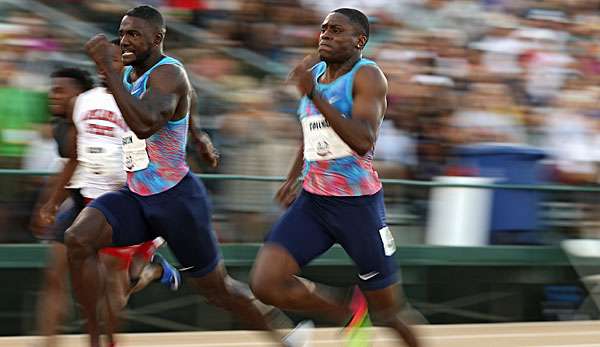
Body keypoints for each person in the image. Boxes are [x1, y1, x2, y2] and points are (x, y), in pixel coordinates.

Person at [66, 5, 297, 347]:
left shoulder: (167, 73)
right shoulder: (131, 74)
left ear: (157, 39)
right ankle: (96, 341)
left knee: (218, 292)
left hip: (177, 201)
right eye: (122, 33)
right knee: (78, 239)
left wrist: (107, 69)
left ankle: (286, 337)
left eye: (134, 35)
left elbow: (145, 124)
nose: (124, 41)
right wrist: (199, 135)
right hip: (137, 195)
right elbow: (188, 100)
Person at [250, 8, 420, 347]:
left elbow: (361, 140)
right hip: (314, 202)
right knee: (265, 283)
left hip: (358, 207)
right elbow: (312, 130)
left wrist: (313, 93)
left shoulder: (367, 76)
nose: (325, 34)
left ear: (359, 41)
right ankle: (348, 314)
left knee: (389, 312)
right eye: (324, 28)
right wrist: (294, 175)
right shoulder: (314, 75)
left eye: (336, 30)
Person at [32, 43, 179, 347]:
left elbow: (160, 153)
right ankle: (52, 341)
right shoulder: (84, 103)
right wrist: (52, 202)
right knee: (59, 273)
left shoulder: (141, 101)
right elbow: (73, 157)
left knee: (115, 281)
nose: (106, 66)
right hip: (85, 197)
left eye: (114, 60)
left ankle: (146, 268)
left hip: (124, 197)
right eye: (101, 62)